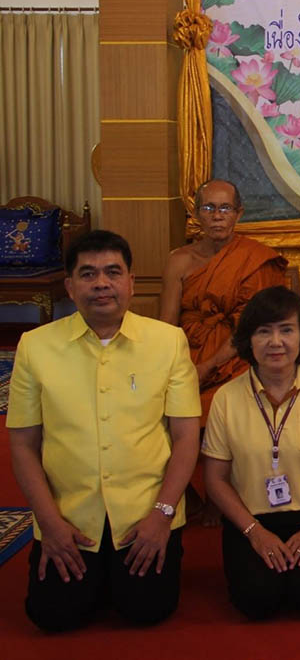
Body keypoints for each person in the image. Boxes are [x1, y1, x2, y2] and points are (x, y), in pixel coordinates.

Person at [7, 230, 201, 631]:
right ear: (69, 286)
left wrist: (161, 517)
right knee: (52, 617)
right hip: (71, 517)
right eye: (88, 274)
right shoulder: (35, 346)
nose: (101, 284)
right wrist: (50, 524)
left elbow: (185, 438)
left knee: (147, 611)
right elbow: (23, 445)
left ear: (131, 282)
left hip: (145, 513)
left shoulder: (168, 342)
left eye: (113, 272)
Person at [202, 286, 300, 620]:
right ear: (248, 339)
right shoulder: (226, 398)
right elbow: (215, 478)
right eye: (263, 332)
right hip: (250, 517)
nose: (276, 342)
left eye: (286, 330)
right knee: (256, 601)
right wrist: (254, 533)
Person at [160, 178, 288, 421]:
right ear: (196, 214)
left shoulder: (255, 259)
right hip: (187, 355)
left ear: (239, 214)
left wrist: (208, 366)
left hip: (238, 357)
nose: (217, 216)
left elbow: (251, 327)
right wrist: (177, 369)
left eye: (225, 208)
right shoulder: (179, 261)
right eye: (208, 208)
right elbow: (166, 326)